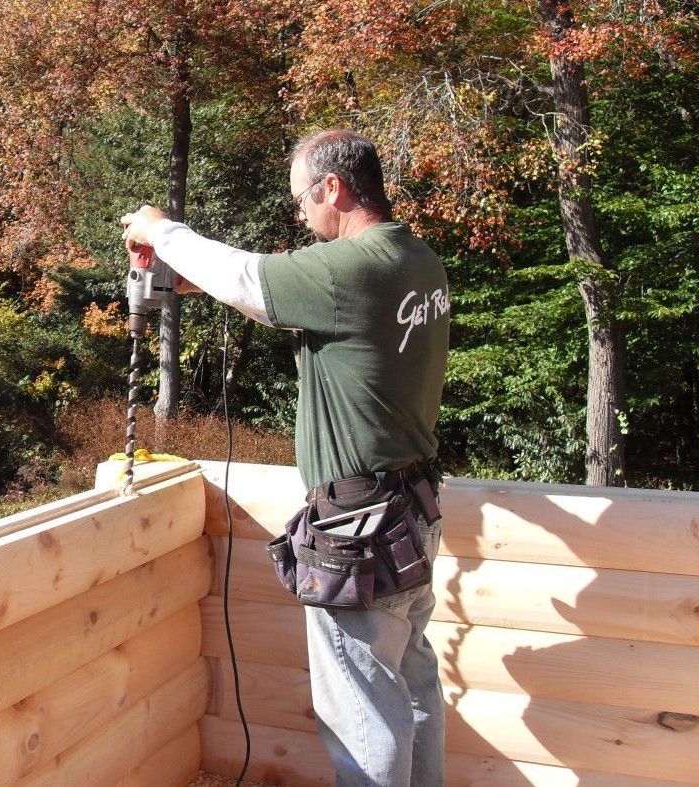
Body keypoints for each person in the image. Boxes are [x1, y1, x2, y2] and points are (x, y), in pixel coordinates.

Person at [120, 128, 450, 786]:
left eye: (302, 197)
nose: (299, 212)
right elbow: (281, 294)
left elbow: (253, 278)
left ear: (334, 187)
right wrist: (194, 281)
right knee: (412, 695)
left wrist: (162, 230)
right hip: (413, 517)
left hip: (360, 530)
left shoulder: (356, 270)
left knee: (365, 722)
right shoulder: (417, 262)